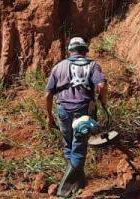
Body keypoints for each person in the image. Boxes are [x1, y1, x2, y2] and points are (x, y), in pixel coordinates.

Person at [44, 36, 109, 184]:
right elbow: (102, 85)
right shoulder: (92, 65)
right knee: (79, 146)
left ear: (70, 51)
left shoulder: (58, 67)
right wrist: (103, 102)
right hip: (83, 110)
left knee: (69, 145)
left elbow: (48, 95)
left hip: (63, 111)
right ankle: (66, 187)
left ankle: (78, 183)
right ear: (85, 51)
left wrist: (49, 116)